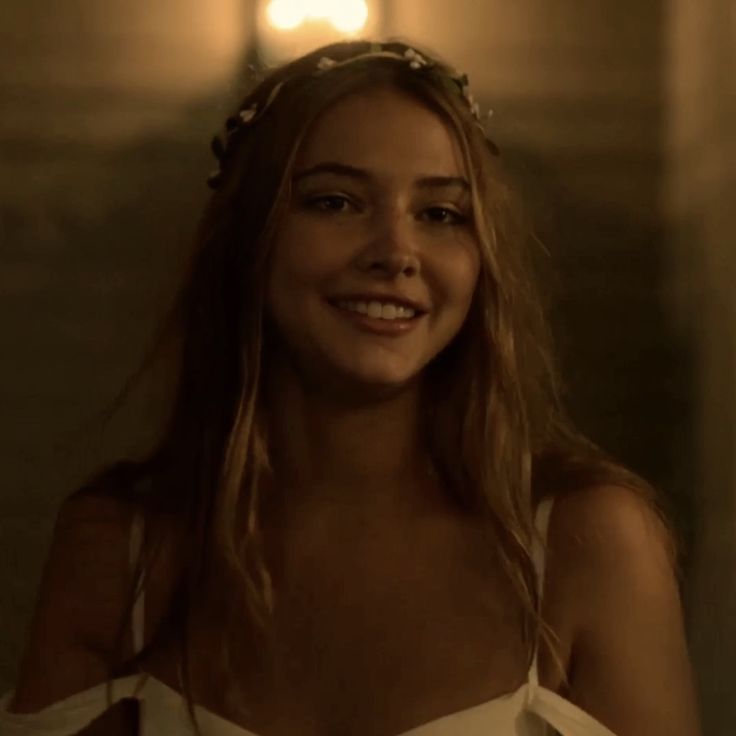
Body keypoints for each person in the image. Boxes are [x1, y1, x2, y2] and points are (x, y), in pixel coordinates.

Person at [1, 39, 701, 736]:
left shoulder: (587, 543)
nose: (395, 254)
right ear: (250, 238)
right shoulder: (123, 548)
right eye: (335, 202)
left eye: (440, 214)